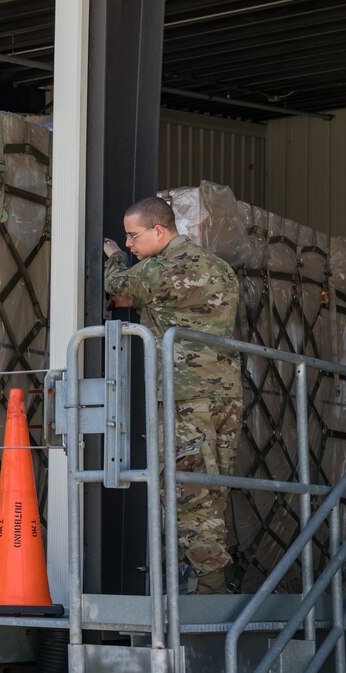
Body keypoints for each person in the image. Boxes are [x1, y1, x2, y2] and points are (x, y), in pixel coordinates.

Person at [102, 196, 242, 594]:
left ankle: (211, 589)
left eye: (133, 236)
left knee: (188, 494)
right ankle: (211, 581)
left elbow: (117, 284)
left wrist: (112, 255)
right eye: (124, 240)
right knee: (212, 491)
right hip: (226, 394)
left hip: (186, 396)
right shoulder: (220, 267)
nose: (129, 244)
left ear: (159, 231)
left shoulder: (163, 269)